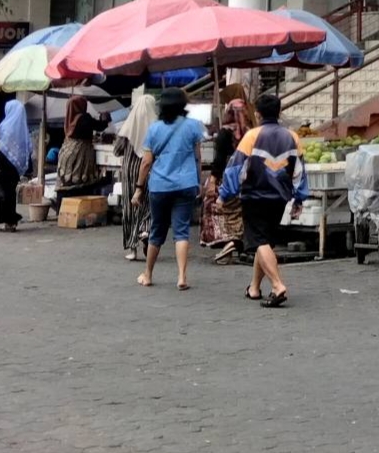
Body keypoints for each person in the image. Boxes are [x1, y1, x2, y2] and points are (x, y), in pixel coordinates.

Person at [219, 93, 309, 308]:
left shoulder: (252, 136)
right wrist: (299, 198)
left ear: (257, 114)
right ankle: (254, 288)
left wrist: (224, 194)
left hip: (254, 196)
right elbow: (299, 172)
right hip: (279, 198)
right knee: (265, 241)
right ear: (279, 112)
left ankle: (278, 285)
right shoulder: (292, 137)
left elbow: (235, 169)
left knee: (258, 240)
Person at [132, 88, 204, 290]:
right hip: (187, 184)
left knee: (157, 230)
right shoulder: (193, 126)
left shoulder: (154, 129)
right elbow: (198, 157)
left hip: (160, 185)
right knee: (181, 231)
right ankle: (181, 276)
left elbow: (146, 162)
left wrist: (139, 188)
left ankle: (148, 274)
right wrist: (198, 182)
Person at [202, 91, 256, 263]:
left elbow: (219, 159)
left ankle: (229, 242)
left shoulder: (225, 133)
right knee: (239, 213)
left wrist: (212, 180)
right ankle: (236, 243)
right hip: (247, 178)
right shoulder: (251, 132)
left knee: (220, 211)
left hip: (227, 178)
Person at [115, 94, 158, 261]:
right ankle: (145, 229)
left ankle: (132, 249)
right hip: (150, 170)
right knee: (148, 204)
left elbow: (117, 151)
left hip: (129, 172)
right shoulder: (156, 127)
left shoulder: (126, 128)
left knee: (129, 206)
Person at [56, 96, 110, 198]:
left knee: (68, 176)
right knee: (80, 178)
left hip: (67, 150)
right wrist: (105, 119)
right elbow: (99, 126)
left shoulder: (69, 119)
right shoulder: (84, 118)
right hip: (80, 152)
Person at [0, 100, 32, 233]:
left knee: (5, 194)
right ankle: (11, 221)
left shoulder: (6, 126)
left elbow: (3, 149)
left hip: (4, 165)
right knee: (10, 194)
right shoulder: (23, 130)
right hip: (15, 168)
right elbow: (27, 149)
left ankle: (9, 222)